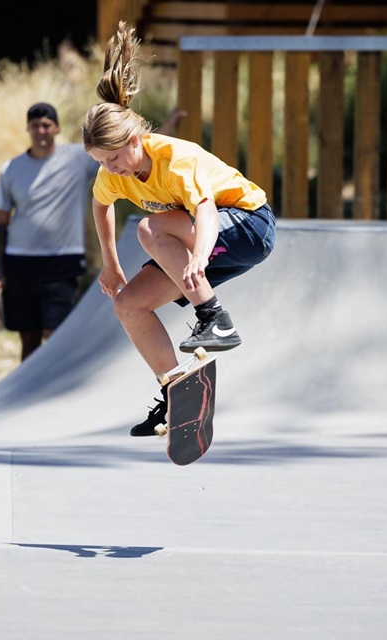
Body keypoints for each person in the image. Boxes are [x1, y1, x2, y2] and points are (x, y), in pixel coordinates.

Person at [82, 21, 277, 437]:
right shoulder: (113, 174)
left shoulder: (175, 157)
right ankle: (176, 392)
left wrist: (200, 259)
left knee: (150, 229)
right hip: (201, 240)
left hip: (248, 225)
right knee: (128, 303)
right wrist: (111, 266)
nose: (111, 169)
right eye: (101, 162)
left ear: (136, 139)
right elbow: (100, 206)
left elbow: (205, 209)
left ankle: (215, 318)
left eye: (114, 158)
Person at [0, 102, 187, 362]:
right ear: (28, 129)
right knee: (28, 334)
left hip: (61, 259)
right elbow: (0, 223)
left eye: (46, 125)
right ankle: (32, 394)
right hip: (19, 259)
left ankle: (56, 386)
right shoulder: (11, 168)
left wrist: (168, 125)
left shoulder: (75, 158)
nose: (41, 131)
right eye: (35, 126)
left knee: (54, 331)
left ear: (56, 128)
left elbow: (124, 148)